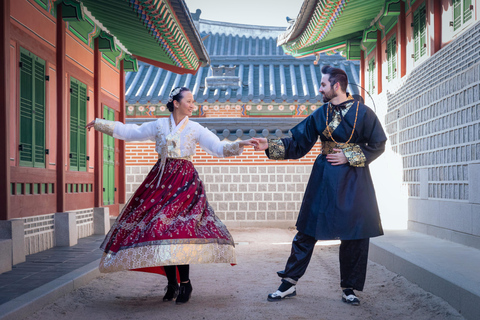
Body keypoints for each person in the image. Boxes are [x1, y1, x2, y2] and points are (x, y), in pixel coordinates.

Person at [86, 87, 254, 304]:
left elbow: (218, 147)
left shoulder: (195, 128)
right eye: (189, 101)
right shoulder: (158, 125)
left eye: (194, 102)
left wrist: (240, 144)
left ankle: (185, 284)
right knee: (158, 229)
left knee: (179, 229)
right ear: (176, 103)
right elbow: (131, 132)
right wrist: (100, 123)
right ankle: (172, 283)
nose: (193, 105)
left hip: (185, 184)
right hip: (161, 182)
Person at [252, 65, 387, 306]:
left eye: (323, 84)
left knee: (354, 234)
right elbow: (298, 141)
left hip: (354, 180)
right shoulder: (321, 113)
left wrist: (349, 156)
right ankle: (288, 283)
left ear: (337, 86)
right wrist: (269, 146)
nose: (319, 89)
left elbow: (378, 144)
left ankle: (349, 288)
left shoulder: (364, 113)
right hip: (323, 178)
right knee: (307, 230)